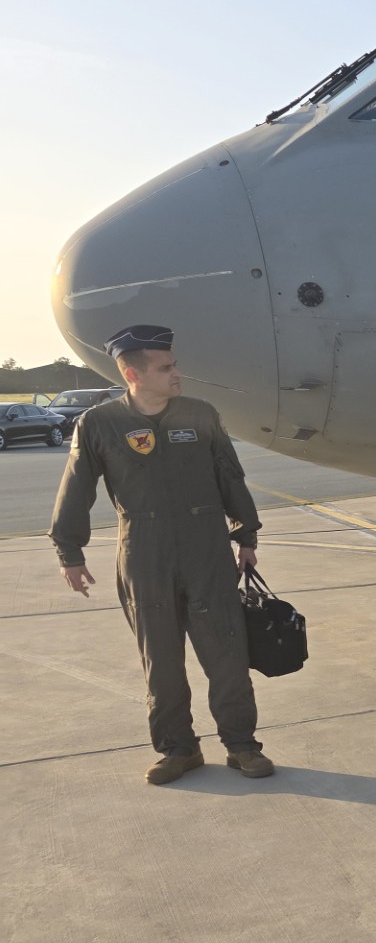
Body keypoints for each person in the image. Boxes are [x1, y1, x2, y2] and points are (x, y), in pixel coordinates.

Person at [50, 325, 275, 784]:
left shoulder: (201, 414)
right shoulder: (99, 423)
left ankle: (242, 746)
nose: (177, 373)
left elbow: (230, 477)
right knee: (161, 661)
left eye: (175, 364)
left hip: (206, 551)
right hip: (144, 553)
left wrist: (246, 536)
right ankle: (178, 749)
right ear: (133, 374)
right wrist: (69, 553)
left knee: (227, 655)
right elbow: (76, 488)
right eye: (166, 367)